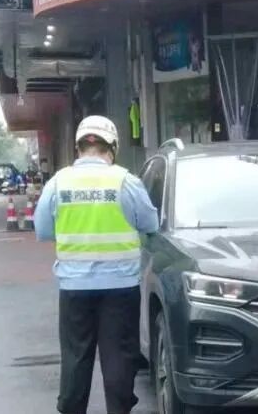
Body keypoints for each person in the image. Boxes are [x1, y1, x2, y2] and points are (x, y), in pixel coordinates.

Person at [34, 115, 159, 414]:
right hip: (121, 287)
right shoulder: (126, 182)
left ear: (78, 148)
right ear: (112, 148)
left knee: (76, 357)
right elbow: (150, 224)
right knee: (119, 356)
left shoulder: (58, 183)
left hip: (74, 287)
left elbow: (43, 230)